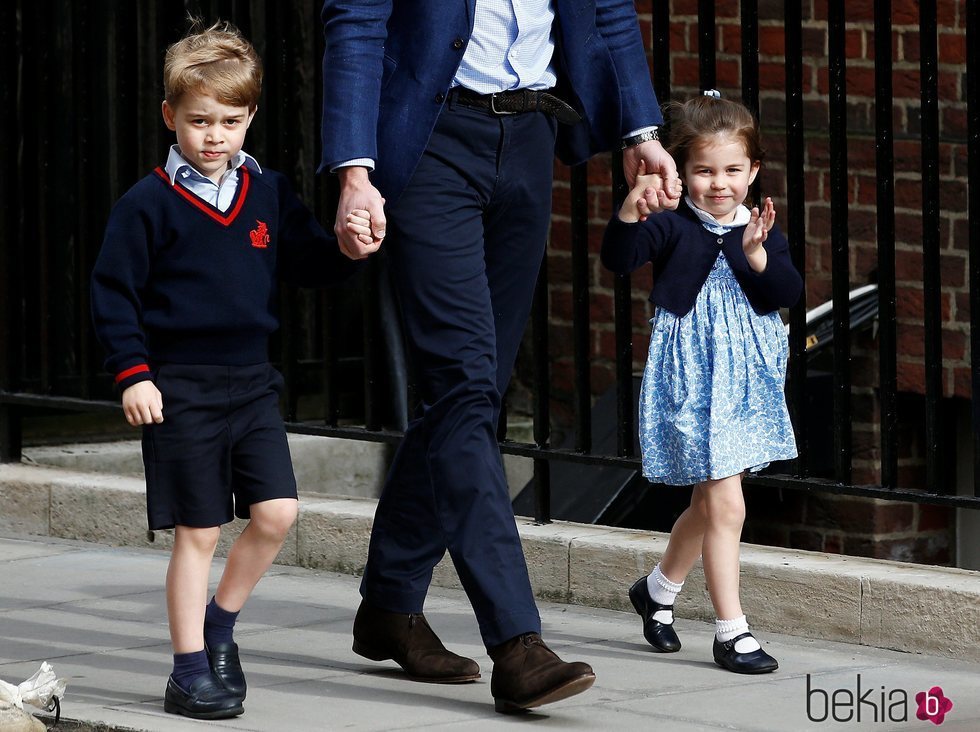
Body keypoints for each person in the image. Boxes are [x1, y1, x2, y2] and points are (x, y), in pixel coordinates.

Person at [319, 0, 679, 714]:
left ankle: (389, 604)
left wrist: (641, 129)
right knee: (462, 387)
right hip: (429, 141)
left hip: (531, 140)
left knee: (470, 390)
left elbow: (604, 9)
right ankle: (517, 642)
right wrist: (353, 172)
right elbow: (356, 22)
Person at [90, 20, 366, 720]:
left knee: (277, 513)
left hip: (252, 384)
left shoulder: (267, 191)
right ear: (170, 117)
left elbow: (305, 258)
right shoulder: (146, 204)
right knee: (200, 530)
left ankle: (220, 627)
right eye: (199, 120)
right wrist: (133, 374)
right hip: (180, 387)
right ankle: (187, 671)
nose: (215, 135)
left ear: (250, 119)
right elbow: (112, 293)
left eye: (230, 121)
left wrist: (348, 245)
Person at [601, 92, 803, 674]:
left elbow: (785, 293)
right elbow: (620, 259)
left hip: (746, 382)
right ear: (682, 171)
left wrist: (759, 257)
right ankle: (731, 632)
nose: (720, 184)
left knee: (710, 504)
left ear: (754, 171)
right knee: (728, 506)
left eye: (733, 170)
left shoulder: (758, 227)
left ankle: (658, 592)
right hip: (693, 376)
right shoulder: (671, 224)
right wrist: (630, 211)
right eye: (705, 171)